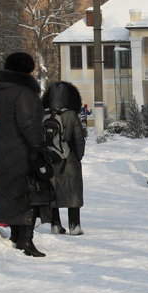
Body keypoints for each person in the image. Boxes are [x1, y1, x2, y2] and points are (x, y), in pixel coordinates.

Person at [0, 52, 49, 257]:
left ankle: (17, 236)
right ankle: (26, 240)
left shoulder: (0, 90)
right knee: (28, 194)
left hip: (2, 147)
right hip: (22, 150)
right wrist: (38, 148)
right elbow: (28, 123)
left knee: (12, 193)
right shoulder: (24, 93)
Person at [42, 81, 87, 235]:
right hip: (69, 159)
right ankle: (74, 226)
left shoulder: (44, 114)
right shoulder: (71, 115)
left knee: (53, 191)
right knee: (73, 192)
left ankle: (55, 224)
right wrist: (78, 157)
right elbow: (79, 139)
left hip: (50, 159)